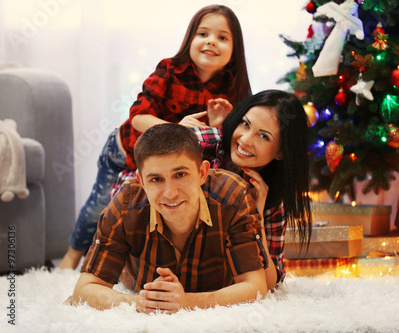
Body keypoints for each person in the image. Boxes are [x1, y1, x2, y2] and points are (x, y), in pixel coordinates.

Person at [59, 4, 251, 269]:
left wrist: (218, 125)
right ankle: (71, 256)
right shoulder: (170, 69)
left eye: (222, 37)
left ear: (234, 49)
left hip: (166, 165)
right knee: (99, 205)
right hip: (124, 151)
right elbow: (138, 116)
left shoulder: (232, 87)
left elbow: (219, 142)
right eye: (203, 34)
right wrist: (176, 128)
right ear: (190, 39)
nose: (211, 42)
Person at [115, 90, 312, 289]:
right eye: (245, 124)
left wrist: (257, 218)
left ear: (281, 151)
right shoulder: (202, 142)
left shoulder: (270, 198)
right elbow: (139, 184)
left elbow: (271, 282)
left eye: (263, 136)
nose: (245, 140)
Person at [70, 123, 267, 313]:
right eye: (156, 179)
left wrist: (186, 301)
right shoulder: (125, 204)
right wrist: (141, 302)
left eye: (180, 174)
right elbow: (84, 289)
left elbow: (255, 286)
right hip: (135, 285)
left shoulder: (233, 196)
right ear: (142, 182)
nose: (170, 193)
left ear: (202, 173)